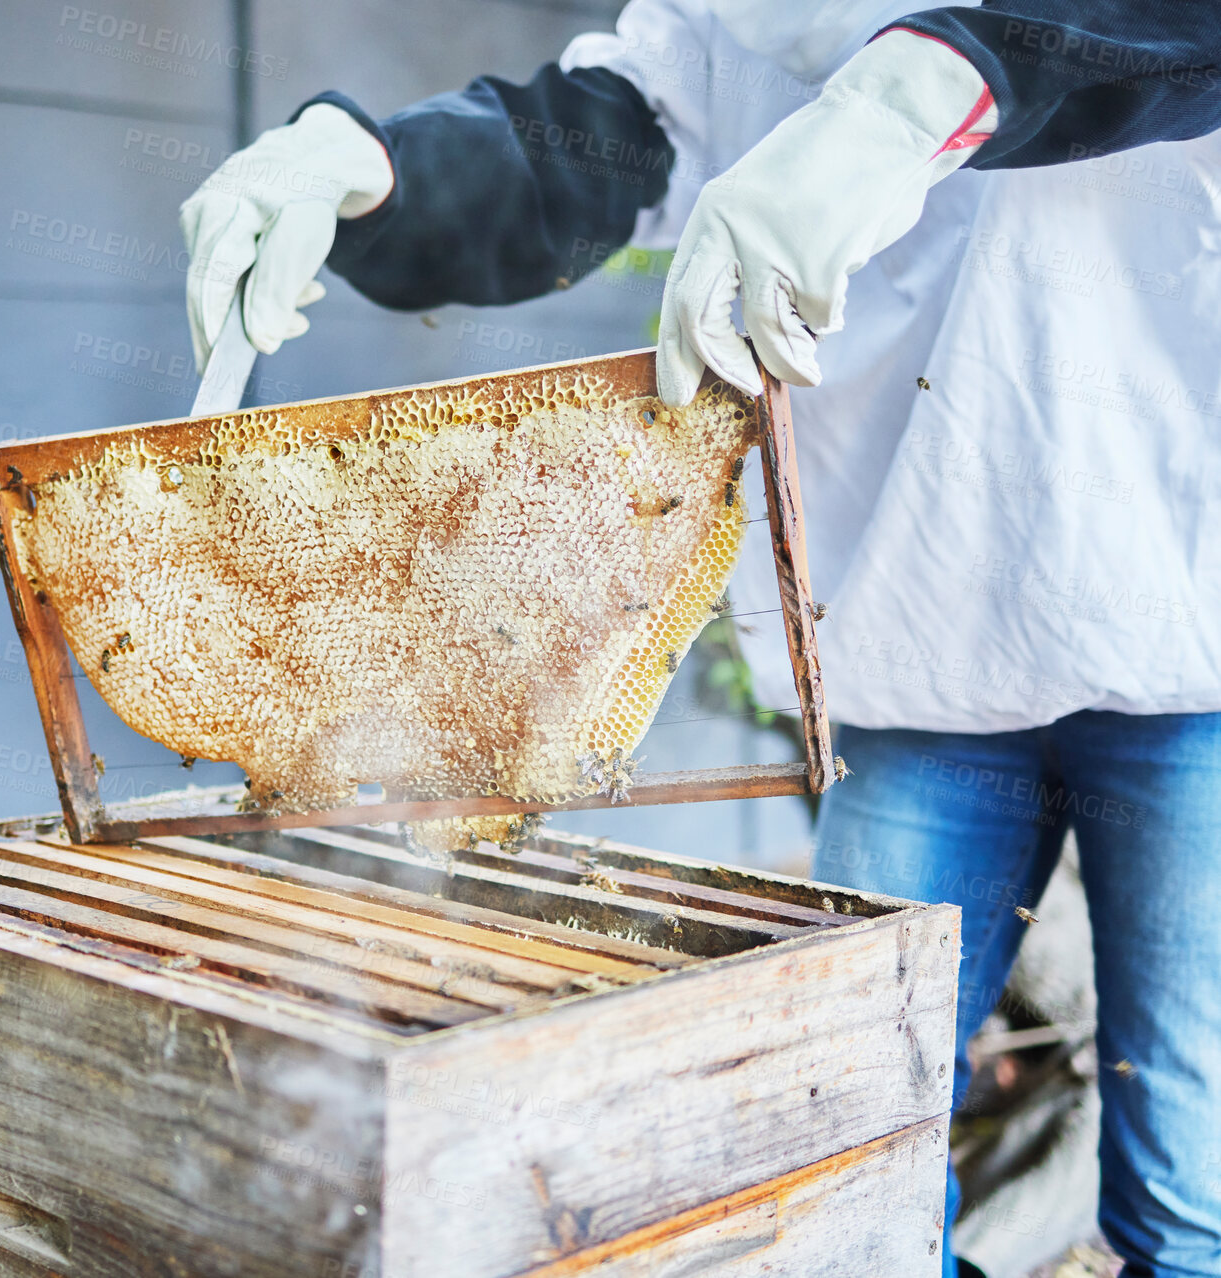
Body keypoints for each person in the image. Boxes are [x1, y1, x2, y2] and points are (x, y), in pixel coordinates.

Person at [180, 4, 1221, 1275]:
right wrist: (367, 168)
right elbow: (586, 144)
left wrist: (913, 94)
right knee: (852, 1150)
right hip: (909, 638)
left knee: (1190, 1180)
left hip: (1186, 620)